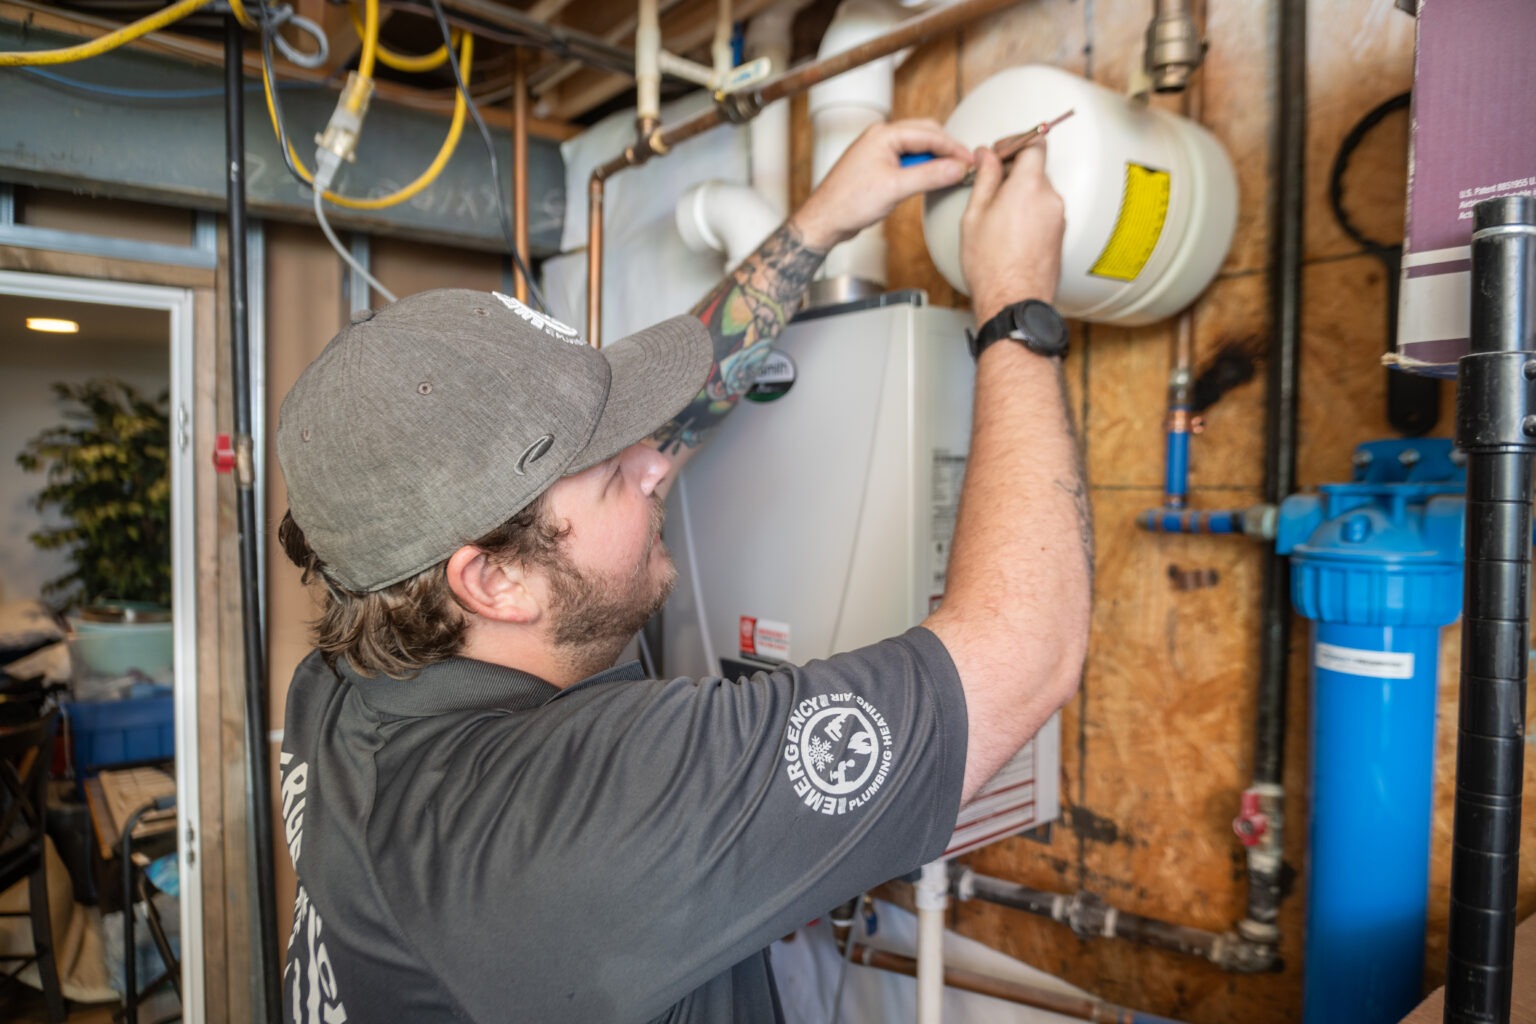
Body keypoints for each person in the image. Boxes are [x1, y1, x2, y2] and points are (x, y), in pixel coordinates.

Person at [274, 117, 1091, 1024]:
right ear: (493, 581)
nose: (657, 463)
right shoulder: (575, 817)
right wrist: (1016, 304)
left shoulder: (346, 681)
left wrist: (820, 223)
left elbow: (620, 466)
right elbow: (1027, 648)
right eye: (615, 469)